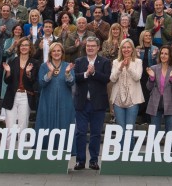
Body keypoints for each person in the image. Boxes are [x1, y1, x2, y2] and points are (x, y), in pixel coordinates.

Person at [72, 36, 111, 171]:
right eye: (88, 46)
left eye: (93, 46)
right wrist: (86, 74)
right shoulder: (79, 61)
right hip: (81, 103)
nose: (90, 48)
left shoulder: (105, 62)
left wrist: (94, 73)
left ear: (98, 47)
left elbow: (107, 79)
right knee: (80, 132)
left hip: (98, 104)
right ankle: (80, 161)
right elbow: (75, 77)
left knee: (95, 133)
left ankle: (94, 160)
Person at [35, 41, 75, 149]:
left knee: (64, 124)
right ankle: (45, 150)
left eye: (59, 51)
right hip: (47, 100)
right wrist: (50, 72)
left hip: (64, 101)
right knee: (46, 124)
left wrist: (67, 73)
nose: (56, 53)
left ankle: (64, 149)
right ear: (50, 53)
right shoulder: (44, 66)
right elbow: (42, 83)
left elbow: (71, 83)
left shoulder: (68, 66)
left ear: (62, 53)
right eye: (54, 51)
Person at [2, 37, 40, 145]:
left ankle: (20, 155)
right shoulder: (13, 61)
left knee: (22, 128)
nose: (24, 47)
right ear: (19, 47)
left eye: (26, 45)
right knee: (10, 128)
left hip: (25, 96)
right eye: (22, 45)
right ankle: (9, 155)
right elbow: (7, 80)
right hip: (11, 96)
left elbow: (33, 81)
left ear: (30, 48)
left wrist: (28, 73)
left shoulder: (35, 62)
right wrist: (8, 72)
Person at [145, 45, 172, 134]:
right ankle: (153, 148)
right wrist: (152, 78)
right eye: (161, 53)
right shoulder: (153, 68)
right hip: (155, 103)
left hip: (170, 102)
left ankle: (171, 148)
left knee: (170, 132)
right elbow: (148, 87)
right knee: (154, 132)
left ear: (171, 56)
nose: (163, 56)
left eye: (166, 54)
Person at [110, 38, 144, 129]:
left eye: (128, 47)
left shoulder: (138, 62)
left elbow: (137, 77)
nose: (126, 49)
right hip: (118, 99)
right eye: (124, 47)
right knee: (120, 129)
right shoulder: (116, 62)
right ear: (121, 49)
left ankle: (130, 144)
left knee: (130, 129)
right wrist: (120, 68)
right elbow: (112, 79)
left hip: (133, 99)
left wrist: (128, 67)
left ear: (132, 49)